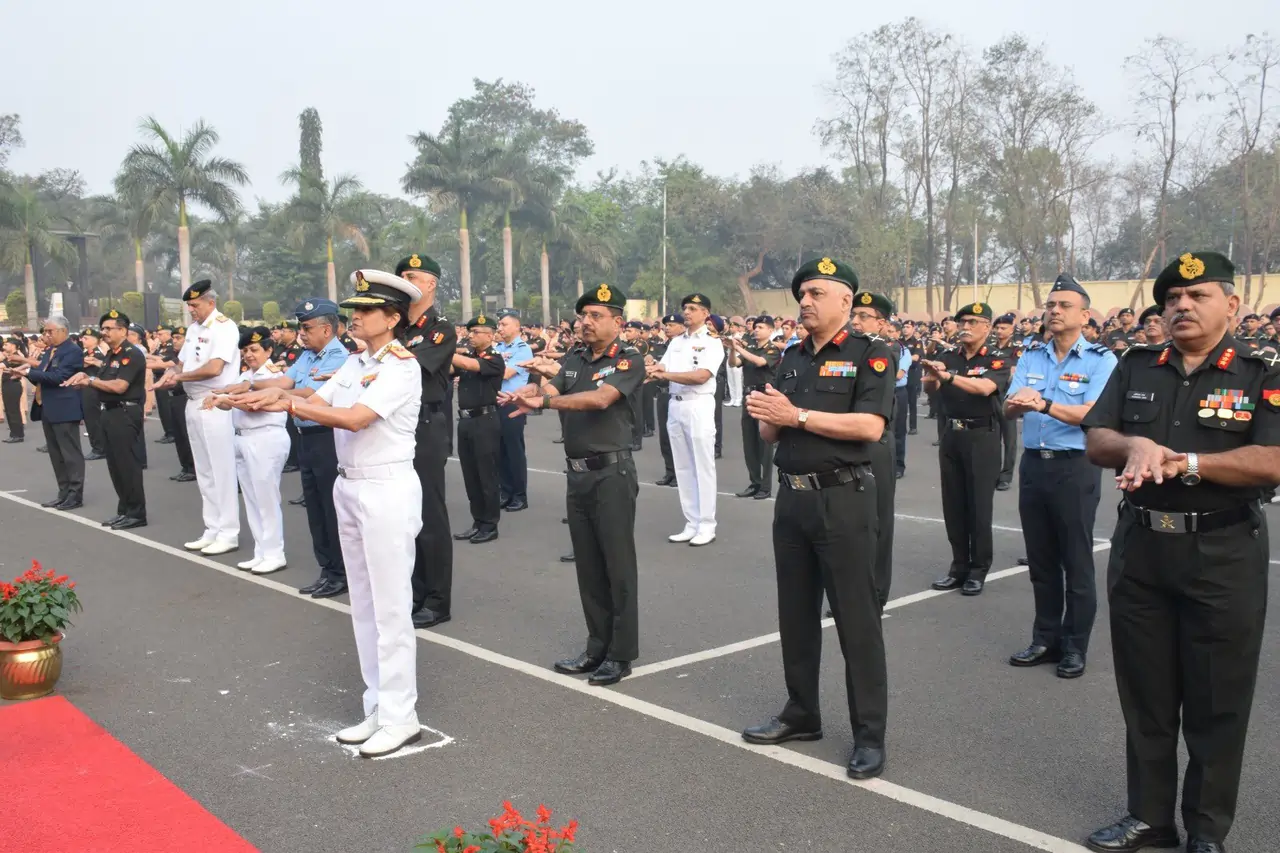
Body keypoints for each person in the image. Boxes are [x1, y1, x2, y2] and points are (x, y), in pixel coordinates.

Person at [1081, 251, 1279, 853]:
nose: (1182, 307)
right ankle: (1149, 817)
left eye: (1197, 296)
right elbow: (1097, 438)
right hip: (1142, 548)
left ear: (1233, 305)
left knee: (1218, 702)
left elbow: (1272, 459)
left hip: (1221, 552)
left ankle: (1207, 830)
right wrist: (1136, 441)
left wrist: (1186, 460)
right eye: (1171, 300)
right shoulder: (1139, 364)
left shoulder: (1261, 373)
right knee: (1147, 695)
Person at [231, 269, 426, 758]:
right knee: (362, 603)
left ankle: (402, 715)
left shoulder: (401, 366)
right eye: (354, 309)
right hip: (351, 486)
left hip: (386, 487)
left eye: (365, 310)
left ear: (393, 317)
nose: (354, 317)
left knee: (390, 607)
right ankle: (377, 706)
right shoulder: (358, 362)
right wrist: (275, 395)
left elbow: (355, 418)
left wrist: (289, 406)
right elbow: (316, 398)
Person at [741, 256, 895, 781]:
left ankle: (869, 735)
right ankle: (801, 712)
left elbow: (869, 427)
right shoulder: (791, 357)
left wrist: (797, 415)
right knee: (796, 615)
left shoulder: (871, 355)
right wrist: (766, 417)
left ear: (846, 301)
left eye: (816, 293)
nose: (804, 301)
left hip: (843, 500)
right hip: (793, 500)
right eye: (801, 293)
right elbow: (774, 433)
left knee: (857, 620)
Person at [503, 282, 644, 686]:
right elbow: (554, 386)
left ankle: (620, 654)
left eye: (595, 316)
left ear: (617, 322)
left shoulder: (628, 359)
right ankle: (596, 646)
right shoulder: (575, 357)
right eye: (583, 316)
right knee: (588, 566)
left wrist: (544, 402)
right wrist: (532, 391)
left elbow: (600, 400)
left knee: (617, 566)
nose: (585, 322)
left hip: (612, 473)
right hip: (578, 473)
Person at [1003, 276, 1116, 679]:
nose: (1053, 311)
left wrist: (1044, 403)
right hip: (1035, 463)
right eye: (1050, 305)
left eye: (1064, 305)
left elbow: (1094, 413)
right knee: (1042, 560)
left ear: (1085, 315)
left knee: (1076, 560)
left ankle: (1074, 646)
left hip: (1074, 466)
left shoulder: (1101, 360)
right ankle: (1045, 638)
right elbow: (1009, 406)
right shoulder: (1032, 355)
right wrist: (1019, 405)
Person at [254, 299, 351, 597]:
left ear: (326, 328)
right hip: (305, 437)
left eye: (307, 328)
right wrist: (248, 384)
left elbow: (312, 393)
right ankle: (327, 568)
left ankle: (341, 571)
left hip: (327, 437)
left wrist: (273, 392)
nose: (302, 334)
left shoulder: (339, 355)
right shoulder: (308, 356)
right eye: (301, 327)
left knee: (330, 507)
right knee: (315, 508)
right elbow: (285, 380)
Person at [924, 303, 1011, 596]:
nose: (965, 326)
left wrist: (947, 377)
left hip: (981, 435)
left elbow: (986, 388)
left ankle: (978, 569)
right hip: (952, 433)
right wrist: (930, 378)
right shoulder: (948, 357)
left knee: (978, 506)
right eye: (962, 321)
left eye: (973, 321)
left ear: (987, 327)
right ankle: (958, 566)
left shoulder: (998, 358)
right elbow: (931, 390)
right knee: (954, 505)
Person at [393, 254, 457, 629]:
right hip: (395, 427)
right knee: (405, 516)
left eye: (412, 275)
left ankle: (437, 599)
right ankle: (414, 592)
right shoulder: (394, 326)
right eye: (401, 275)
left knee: (429, 514)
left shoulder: (440, 328)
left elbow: (409, 367)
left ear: (430, 284)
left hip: (425, 425)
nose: (405, 280)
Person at [156, 281, 241, 555]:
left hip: (216, 402)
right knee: (204, 472)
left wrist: (178, 377)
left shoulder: (224, 327)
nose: (191, 310)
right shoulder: (194, 329)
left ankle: (229, 532)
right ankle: (212, 528)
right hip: (194, 402)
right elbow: (183, 361)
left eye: (195, 305)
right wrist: (172, 374)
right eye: (189, 306)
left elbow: (215, 368)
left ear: (210, 303)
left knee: (221, 471)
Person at [206, 327, 290, 575]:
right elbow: (236, 409)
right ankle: (261, 551)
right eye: (244, 351)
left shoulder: (272, 376)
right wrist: (220, 402)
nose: (249, 355)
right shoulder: (246, 376)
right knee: (252, 499)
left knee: (267, 499)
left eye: (254, 349)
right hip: (244, 438)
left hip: (266, 438)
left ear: (268, 350)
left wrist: (225, 398)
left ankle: (275, 553)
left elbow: (256, 405)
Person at [64, 310, 148, 529]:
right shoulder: (112, 354)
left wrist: (90, 380)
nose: (104, 332)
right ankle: (125, 510)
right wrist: (86, 377)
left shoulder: (132, 354)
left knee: (127, 465)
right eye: (103, 328)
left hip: (125, 412)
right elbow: (101, 380)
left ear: (123, 330)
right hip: (109, 412)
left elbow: (120, 386)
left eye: (109, 328)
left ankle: (137, 513)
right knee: (115, 465)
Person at [652, 294, 724, 546]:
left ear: (706, 313)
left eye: (693, 308)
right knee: (682, 466)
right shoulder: (676, 342)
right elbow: (661, 369)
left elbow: (701, 376)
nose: (687, 312)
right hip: (676, 404)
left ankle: (707, 524)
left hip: (699, 404)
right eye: (685, 308)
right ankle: (691, 522)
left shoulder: (712, 342)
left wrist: (665, 374)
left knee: (702, 466)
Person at [848, 292, 900, 607]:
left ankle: (876, 592)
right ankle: (854, 589)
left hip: (876, 443)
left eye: (864, 316)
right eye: (854, 315)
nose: (856, 321)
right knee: (852, 521)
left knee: (878, 521)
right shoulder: (851, 350)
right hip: (850, 441)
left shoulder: (883, 352)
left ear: (881, 322)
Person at [16, 315, 85, 510]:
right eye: (45, 331)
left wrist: (29, 372)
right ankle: (63, 492)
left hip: (64, 408)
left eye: (49, 331)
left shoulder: (72, 351)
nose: (46, 335)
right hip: (48, 406)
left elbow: (59, 377)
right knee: (56, 454)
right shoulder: (51, 351)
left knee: (70, 454)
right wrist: (25, 374)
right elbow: (43, 377)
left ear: (63, 331)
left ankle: (75, 494)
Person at [451, 314, 506, 544]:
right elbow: (450, 371)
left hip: (485, 420)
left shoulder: (494, 358)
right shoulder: (468, 356)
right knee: (471, 475)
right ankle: (478, 521)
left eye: (476, 332)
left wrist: (443, 349)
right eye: (470, 332)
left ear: (490, 335)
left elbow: (469, 365)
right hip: (465, 421)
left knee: (486, 475)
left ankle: (490, 524)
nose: (470, 336)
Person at [728, 315, 781, 499]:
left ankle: (765, 486)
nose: (756, 330)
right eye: (756, 327)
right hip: (749, 395)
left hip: (764, 396)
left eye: (761, 327)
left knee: (764, 444)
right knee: (749, 442)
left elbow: (760, 362)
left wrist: (740, 348)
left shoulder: (772, 349)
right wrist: (732, 350)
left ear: (770, 330)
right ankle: (754, 482)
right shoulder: (749, 348)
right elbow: (733, 364)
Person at [494, 311, 533, 512]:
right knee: (499, 451)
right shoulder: (497, 347)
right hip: (495, 403)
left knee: (514, 451)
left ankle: (519, 495)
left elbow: (506, 373)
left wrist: (491, 364)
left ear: (517, 327)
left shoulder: (522, 349)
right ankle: (505, 492)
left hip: (513, 404)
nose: (500, 328)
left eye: (504, 324)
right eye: (499, 324)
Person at [991, 313, 1024, 491]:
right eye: (997, 328)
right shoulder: (990, 347)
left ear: (1012, 329)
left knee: (1009, 439)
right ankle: (993, 473)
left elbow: (1015, 371)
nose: (999, 331)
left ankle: (1006, 476)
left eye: (1003, 328)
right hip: (991, 395)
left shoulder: (1017, 348)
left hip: (1008, 395)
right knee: (992, 437)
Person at [650, 314, 682, 487]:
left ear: (682, 327)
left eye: (671, 325)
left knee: (677, 437)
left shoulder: (685, 347)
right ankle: (669, 471)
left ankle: (679, 474)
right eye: (666, 325)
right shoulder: (661, 346)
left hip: (677, 393)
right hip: (663, 393)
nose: (667, 328)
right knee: (665, 436)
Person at [1, 335, 26, 442]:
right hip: (8, 385)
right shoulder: (10, 355)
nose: (4, 346)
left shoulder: (16, 356)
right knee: (9, 410)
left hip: (13, 384)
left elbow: (2, 365)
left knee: (13, 410)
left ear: (13, 346)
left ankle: (18, 435)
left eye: (7, 344)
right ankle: (14, 433)